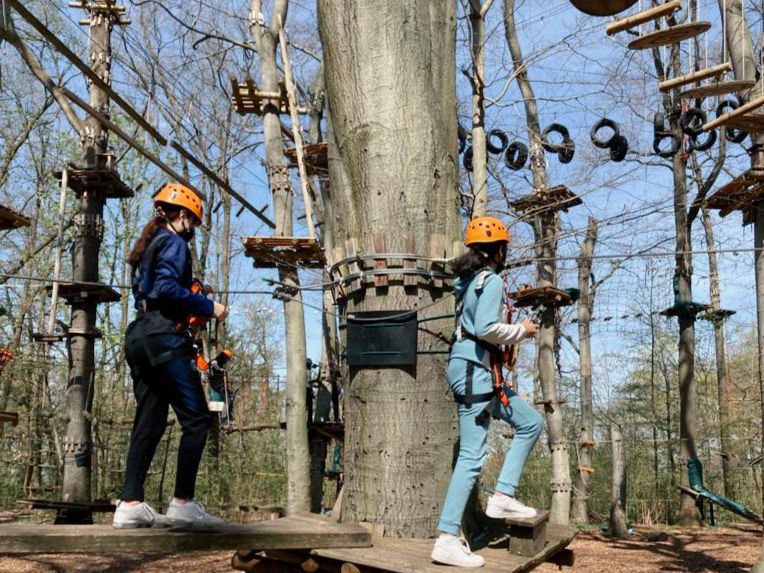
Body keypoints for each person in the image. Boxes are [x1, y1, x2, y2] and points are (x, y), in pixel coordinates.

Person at [113, 183, 228, 529]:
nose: (192, 229)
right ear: (182, 216)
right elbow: (166, 288)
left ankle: (130, 502)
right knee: (196, 418)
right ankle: (183, 503)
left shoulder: (148, 246)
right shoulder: (174, 241)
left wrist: (190, 299)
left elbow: (150, 292)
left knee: (150, 418)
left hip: (140, 337)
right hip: (163, 338)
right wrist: (210, 306)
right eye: (192, 221)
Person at [431, 216, 543, 568]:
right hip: (474, 371)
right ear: (498, 251)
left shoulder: (469, 282)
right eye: (505, 249)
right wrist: (521, 330)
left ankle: (502, 496)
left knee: (530, 422)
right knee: (472, 456)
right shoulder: (490, 280)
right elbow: (485, 328)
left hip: (479, 372)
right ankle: (447, 539)